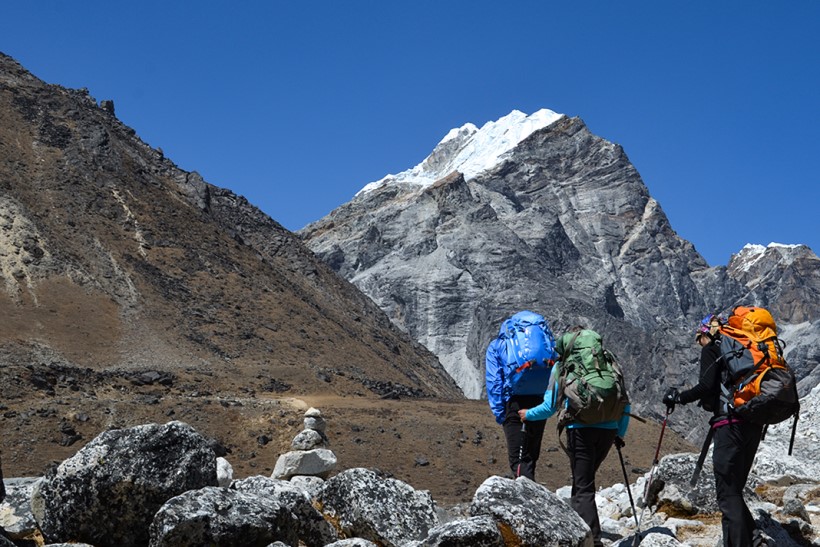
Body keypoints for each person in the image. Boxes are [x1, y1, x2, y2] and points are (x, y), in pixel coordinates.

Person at [518, 326, 630, 547]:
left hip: (580, 429)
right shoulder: (607, 362)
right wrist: (620, 433)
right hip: (608, 431)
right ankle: (578, 530)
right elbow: (624, 401)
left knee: (584, 485)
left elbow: (550, 407)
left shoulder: (563, 366)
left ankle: (593, 540)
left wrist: (528, 414)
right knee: (583, 482)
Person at [663, 314, 765, 547]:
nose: (699, 342)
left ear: (705, 333)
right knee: (734, 489)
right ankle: (754, 538)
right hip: (753, 423)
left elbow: (706, 386)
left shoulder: (711, 349)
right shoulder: (742, 350)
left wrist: (678, 397)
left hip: (729, 425)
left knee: (727, 494)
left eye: (699, 337)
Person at [485, 311, 556, 480]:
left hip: (514, 402)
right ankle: (530, 491)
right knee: (530, 456)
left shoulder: (498, 345)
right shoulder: (546, 344)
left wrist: (501, 413)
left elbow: (494, 381)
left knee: (517, 459)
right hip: (539, 401)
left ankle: (525, 500)